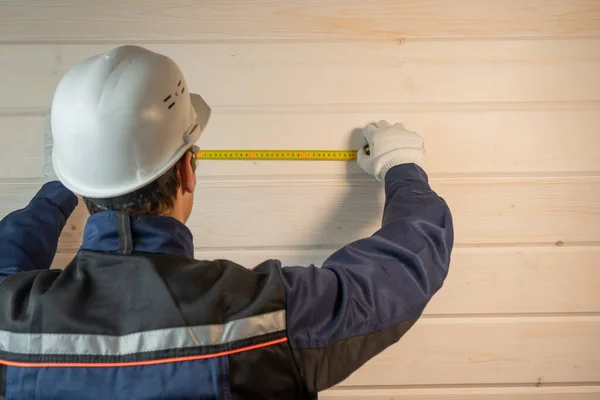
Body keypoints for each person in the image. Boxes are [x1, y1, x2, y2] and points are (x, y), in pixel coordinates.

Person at [0, 46, 453, 399]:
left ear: (80, 186)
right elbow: (401, 273)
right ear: (186, 171)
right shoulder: (261, 319)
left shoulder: (10, 325)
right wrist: (403, 169)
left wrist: (56, 189)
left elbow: (8, 257)